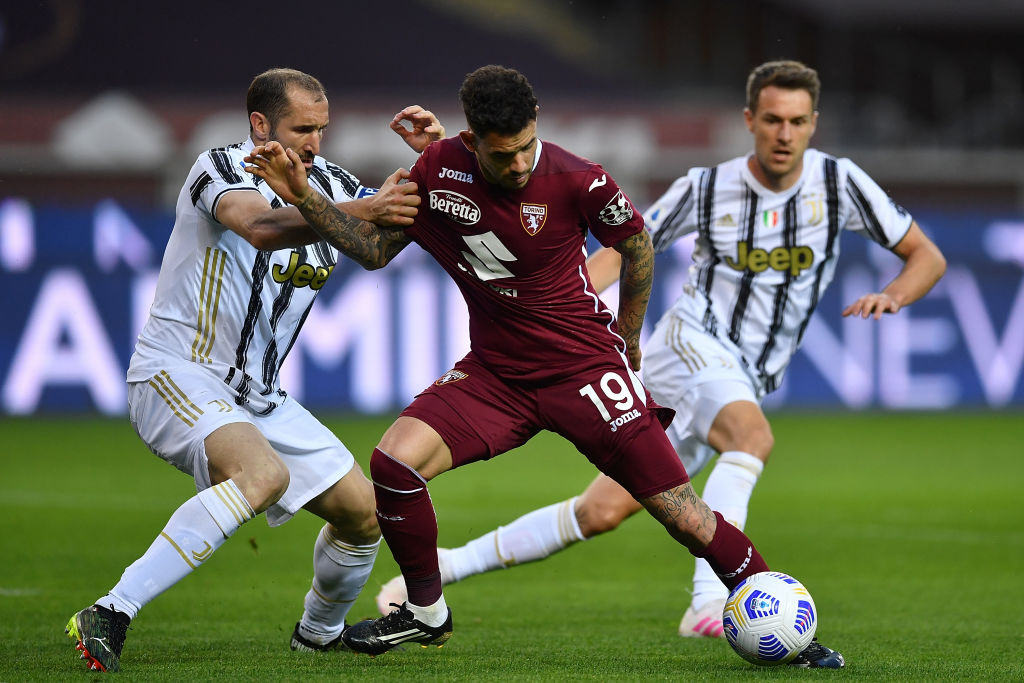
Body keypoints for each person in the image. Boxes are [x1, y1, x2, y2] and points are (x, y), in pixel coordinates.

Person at [245, 63, 846, 668]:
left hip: (584, 371)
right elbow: (374, 251)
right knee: (393, 464)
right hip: (496, 376)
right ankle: (426, 609)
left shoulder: (580, 180)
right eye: (503, 155)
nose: (520, 164)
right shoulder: (437, 170)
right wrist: (304, 197)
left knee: (682, 513)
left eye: (528, 146)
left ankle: (787, 624)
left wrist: (630, 336)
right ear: (473, 140)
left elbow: (635, 246)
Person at [372, 59, 948, 641]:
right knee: (751, 439)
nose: (784, 133)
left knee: (603, 510)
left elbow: (927, 255)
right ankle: (713, 606)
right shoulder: (707, 186)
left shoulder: (840, 183)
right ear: (750, 119)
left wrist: (895, 294)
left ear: (813, 124)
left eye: (797, 121)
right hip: (692, 346)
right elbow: (626, 244)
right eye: (772, 119)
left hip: (747, 372)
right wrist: (565, 308)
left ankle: (450, 564)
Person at [63, 67, 446, 673]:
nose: (314, 143)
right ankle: (111, 609)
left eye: (322, 129)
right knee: (260, 474)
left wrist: (439, 166)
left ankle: (317, 636)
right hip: (179, 372)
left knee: (364, 515)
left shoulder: (335, 183)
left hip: (259, 396)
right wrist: (356, 207)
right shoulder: (220, 167)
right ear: (260, 125)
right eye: (301, 129)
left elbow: (373, 250)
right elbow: (262, 228)